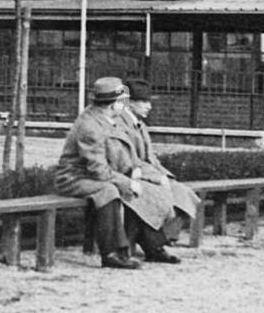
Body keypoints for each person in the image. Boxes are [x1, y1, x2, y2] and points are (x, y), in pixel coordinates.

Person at [53, 76, 186, 269]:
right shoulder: (90, 126)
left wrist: (137, 174)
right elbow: (98, 170)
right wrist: (127, 182)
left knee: (139, 189)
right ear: (113, 103)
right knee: (110, 191)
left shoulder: (107, 119)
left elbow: (122, 155)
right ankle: (112, 253)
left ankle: (153, 247)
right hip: (75, 178)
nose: (125, 105)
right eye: (123, 101)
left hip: (95, 176)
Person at [122, 78, 201, 246]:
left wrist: (164, 175)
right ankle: (151, 242)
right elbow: (131, 160)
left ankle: (164, 238)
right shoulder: (122, 124)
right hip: (132, 175)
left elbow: (151, 157)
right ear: (129, 103)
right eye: (143, 101)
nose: (149, 106)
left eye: (148, 101)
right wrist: (156, 178)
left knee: (184, 193)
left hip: (147, 174)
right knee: (155, 197)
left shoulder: (140, 125)